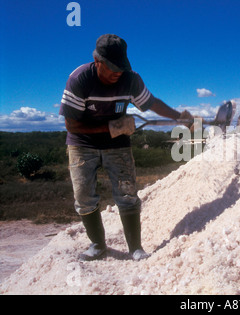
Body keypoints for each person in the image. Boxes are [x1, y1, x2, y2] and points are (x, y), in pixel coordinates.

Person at [59, 34, 194, 261]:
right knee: (84, 196)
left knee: (127, 193)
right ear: (97, 61)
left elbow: (150, 103)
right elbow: (71, 124)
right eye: (111, 68)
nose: (116, 73)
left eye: (120, 67)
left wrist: (178, 116)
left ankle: (135, 248)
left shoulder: (130, 79)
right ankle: (97, 245)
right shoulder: (79, 79)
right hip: (82, 144)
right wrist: (112, 127)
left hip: (118, 145)